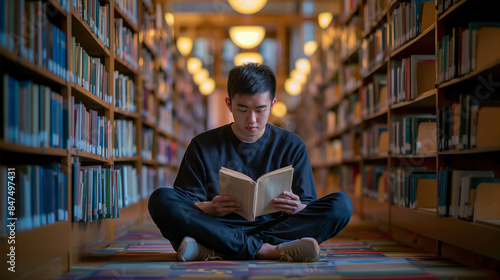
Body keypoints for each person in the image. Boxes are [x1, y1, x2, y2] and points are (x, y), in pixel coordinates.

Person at [148, 63, 353, 262]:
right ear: (229, 104)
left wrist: (298, 207)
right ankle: (268, 251)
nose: (252, 119)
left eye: (260, 110)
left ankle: (218, 250)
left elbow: (308, 207)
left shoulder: (293, 145)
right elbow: (185, 203)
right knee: (161, 199)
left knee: (341, 205)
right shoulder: (202, 145)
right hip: (218, 226)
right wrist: (211, 208)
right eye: (243, 109)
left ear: (272, 104)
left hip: (275, 228)